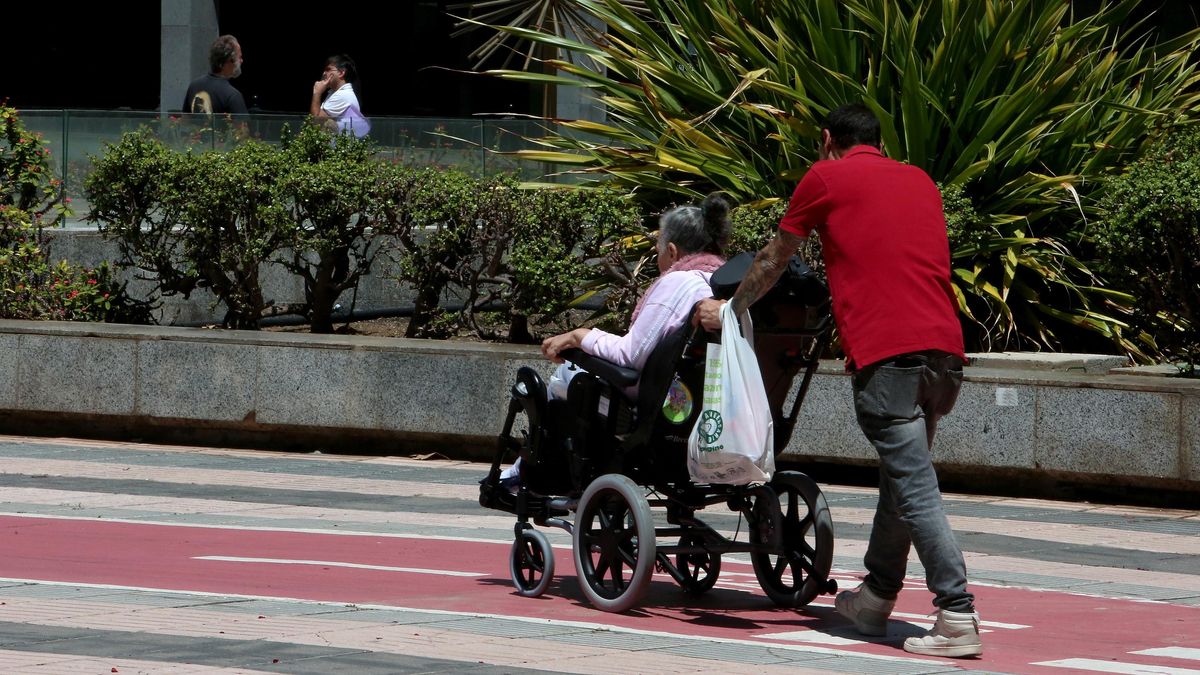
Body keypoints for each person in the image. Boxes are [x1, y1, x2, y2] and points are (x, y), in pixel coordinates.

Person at [695, 104, 981, 658]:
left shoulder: (824, 176)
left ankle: (956, 613)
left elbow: (776, 258)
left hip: (886, 355)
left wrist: (732, 309)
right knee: (903, 480)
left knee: (915, 490)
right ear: (879, 139)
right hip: (945, 354)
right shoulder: (921, 180)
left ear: (828, 139)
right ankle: (875, 597)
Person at [497, 193, 733, 488]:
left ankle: (532, 470)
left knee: (564, 376)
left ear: (672, 251)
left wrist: (580, 336)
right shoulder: (722, 284)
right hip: (698, 400)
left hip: (649, 399)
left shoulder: (678, 282)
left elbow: (630, 356)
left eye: (658, 250)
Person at [182, 35, 248, 115]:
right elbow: (241, 127)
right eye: (239, 57)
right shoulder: (232, 96)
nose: (242, 61)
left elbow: (185, 121)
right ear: (230, 60)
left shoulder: (193, 86)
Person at [311, 55, 370, 138]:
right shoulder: (336, 93)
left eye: (328, 69)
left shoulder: (343, 95)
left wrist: (317, 92)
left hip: (337, 149)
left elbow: (316, 121)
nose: (324, 73)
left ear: (341, 73)